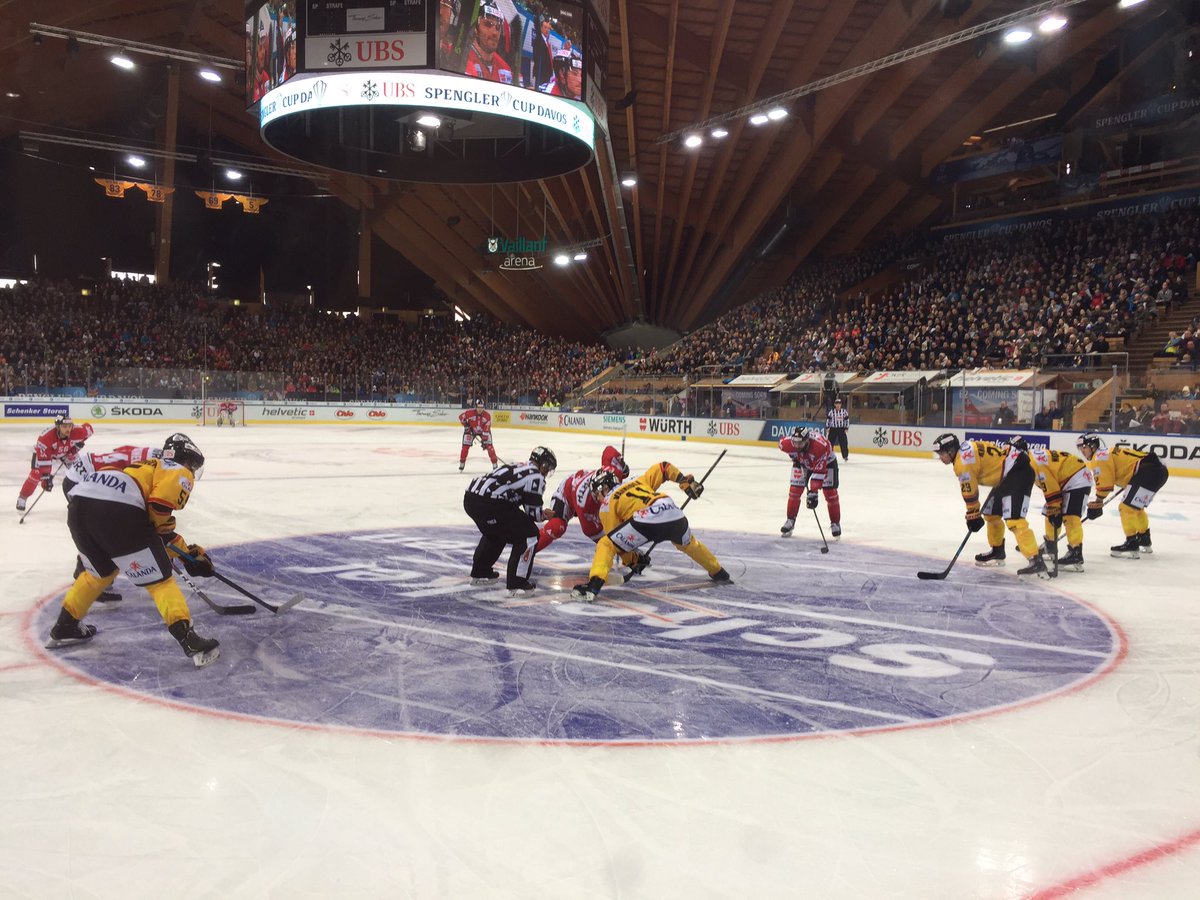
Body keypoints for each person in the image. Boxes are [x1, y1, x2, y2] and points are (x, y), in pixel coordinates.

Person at [44, 433, 220, 668]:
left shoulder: (141, 467)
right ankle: (190, 641)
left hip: (80, 507)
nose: (192, 470)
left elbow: (155, 524)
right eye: (192, 464)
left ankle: (65, 627)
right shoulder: (177, 469)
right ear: (184, 458)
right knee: (159, 580)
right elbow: (158, 512)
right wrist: (188, 556)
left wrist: (185, 553)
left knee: (99, 574)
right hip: (115, 510)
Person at [571, 462, 729, 602]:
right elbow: (663, 467)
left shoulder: (607, 503)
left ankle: (593, 586)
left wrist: (633, 560)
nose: (598, 498)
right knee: (689, 544)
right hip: (673, 512)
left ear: (603, 488)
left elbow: (617, 544)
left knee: (605, 543)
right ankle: (718, 571)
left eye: (597, 494)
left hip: (647, 520)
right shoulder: (636, 480)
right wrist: (684, 481)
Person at [61, 440, 166, 603]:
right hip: (80, 480)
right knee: (98, 532)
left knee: (99, 531)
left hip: (80, 474)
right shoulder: (158, 466)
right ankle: (86, 579)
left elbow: (120, 450)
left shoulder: (150, 454)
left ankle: (92, 577)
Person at [932, 432, 1046, 578]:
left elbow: (970, 492)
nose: (940, 458)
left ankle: (1036, 560)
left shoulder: (962, 463)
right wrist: (973, 514)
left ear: (951, 450)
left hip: (1018, 473)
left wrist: (972, 515)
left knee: (1014, 520)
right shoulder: (965, 449)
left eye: (941, 454)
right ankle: (998, 550)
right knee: (991, 513)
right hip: (1006, 475)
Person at [463, 447, 557, 596]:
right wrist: (544, 516)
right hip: (492, 504)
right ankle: (517, 584)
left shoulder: (517, 465)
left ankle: (480, 573)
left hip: (470, 498)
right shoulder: (536, 476)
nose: (546, 473)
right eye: (548, 468)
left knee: (496, 532)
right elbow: (532, 513)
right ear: (544, 465)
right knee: (529, 534)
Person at [1076, 432, 1169, 559]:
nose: (1082, 451)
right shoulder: (1105, 453)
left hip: (1147, 471)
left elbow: (1105, 484)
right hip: (1158, 470)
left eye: (1084, 447)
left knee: (1126, 508)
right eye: (1080, 448)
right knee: (1135, 507)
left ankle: (1131, 543)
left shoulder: (1099, 457)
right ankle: (1144, 539)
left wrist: (1098, 502)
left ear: (1093, 446)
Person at [535, 446, 637, 557]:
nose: (606, 497)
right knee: (557, 526)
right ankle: (528, 549)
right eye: (602, 494)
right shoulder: (586, 507)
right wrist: (627, 554)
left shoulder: (613, 472)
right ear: (596, 494)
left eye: (609, 491)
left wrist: (621, 464)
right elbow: (604, 539)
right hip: (567, 495)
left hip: (587, 494)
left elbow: (609, 451)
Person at [1023, 442, 1094, 572]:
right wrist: (1054, 509)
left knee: (1071, 517)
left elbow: (1050, 488)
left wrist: (1056, 509)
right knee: (1050, 510)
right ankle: (1050, 544)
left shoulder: (1033, 464)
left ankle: (1076, 553)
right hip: (1065, 478)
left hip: (1078, 479)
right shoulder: (1030, 459)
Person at [16, 414, 94, 512]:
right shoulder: (46, 438)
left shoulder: (77, 431)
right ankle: (22, 497)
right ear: (58, 427)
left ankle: (81, 499)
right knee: (36, 474)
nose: (68, 429)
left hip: (66, 452)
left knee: (80, 472)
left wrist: (77, 446)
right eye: (64, 426)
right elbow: (45, 463)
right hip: (46, 454)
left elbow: (89, 429)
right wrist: (46, 479)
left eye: (70, 426)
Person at [778, 427, 842, 539]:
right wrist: (797, 459)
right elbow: (785, 445)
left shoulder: (820, 447)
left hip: (827, 463)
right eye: (795, 442)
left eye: (800, 443)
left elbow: (819, 471)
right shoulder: (787, 444)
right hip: (803, 462)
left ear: (807, 441)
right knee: (794, 491)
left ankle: (835, 523)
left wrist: (813, 492)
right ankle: (790, 520)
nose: (796, 446)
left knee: (830, 494)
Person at [464, 3, 513, 84]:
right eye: (488, 24)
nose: (495, 32)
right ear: (475, 28)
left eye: (498, 27)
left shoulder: (505, 69)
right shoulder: (460, 57)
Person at [458, 398, 498, 471]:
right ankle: (462, 462)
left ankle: (495, 464)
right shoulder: (469, 413)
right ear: (476, 407)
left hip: (483, 432)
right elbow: (461, 417)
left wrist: (485, 440)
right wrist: (466, 426)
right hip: (470, 430)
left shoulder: (487, 416)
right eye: (478, 407)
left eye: (482, 407)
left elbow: (487, 428)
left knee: (490, 448)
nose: (480, 409)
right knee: (465, 447)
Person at [532, 13, 554, 88]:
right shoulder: (538, 40)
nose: (547, 30)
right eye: (545, 27)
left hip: (547, 75)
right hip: (541, 74)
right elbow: (537, 58)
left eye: (548, 28)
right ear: (540, 28)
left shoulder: (547, 42)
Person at [825, 397, 850, 462]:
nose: (838, 405)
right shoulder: (831, 412)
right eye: (837, 404)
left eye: (839, 403)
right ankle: (828, 455)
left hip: (841, 429)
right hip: (833, 429)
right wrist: (827, 427)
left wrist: (846, 427)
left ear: (841, 404)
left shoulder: (844, 412)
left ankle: (845, 456)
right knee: (830, 443)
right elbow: (828, 420)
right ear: (835, 405)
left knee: (844, 443)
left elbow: (847, 420)